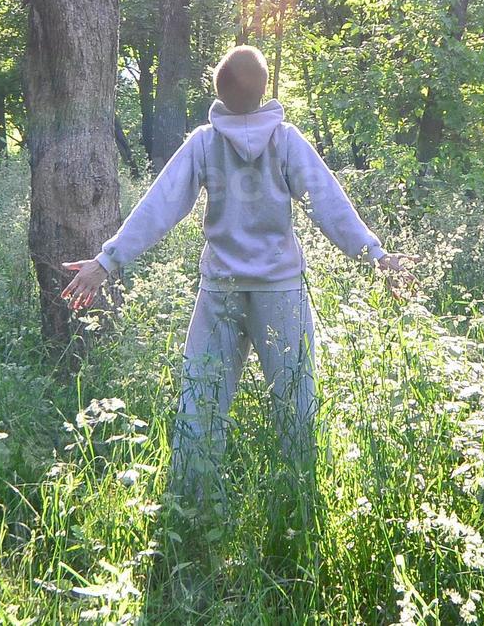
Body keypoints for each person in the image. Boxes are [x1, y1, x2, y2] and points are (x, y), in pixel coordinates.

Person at [58, 45, 405, 531]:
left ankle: (187, 513)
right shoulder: (285, 140)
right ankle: (303, 510)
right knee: (296, 402)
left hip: (220, 290)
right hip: (279, 292)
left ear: (217, 90)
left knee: (200, 402)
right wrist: (377, 255)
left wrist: (107, 260)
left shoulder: (204, 142)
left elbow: (160, 207)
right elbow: (328, 203)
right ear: (265, 90)